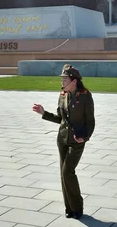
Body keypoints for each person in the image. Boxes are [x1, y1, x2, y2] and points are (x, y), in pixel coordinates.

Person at [32, 64, 95, 219]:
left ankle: (77, 207)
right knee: (63, 174)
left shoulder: (85, 96)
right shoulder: (62, 95)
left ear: (74, 81)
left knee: (68, 172)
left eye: (65, 79)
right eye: (62, 79)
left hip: (77, 141)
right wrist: (43, 113)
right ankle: (69, 208)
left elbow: (91, 122)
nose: (62, 81)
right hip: (62, 140)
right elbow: (60, 119)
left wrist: (85, 137)